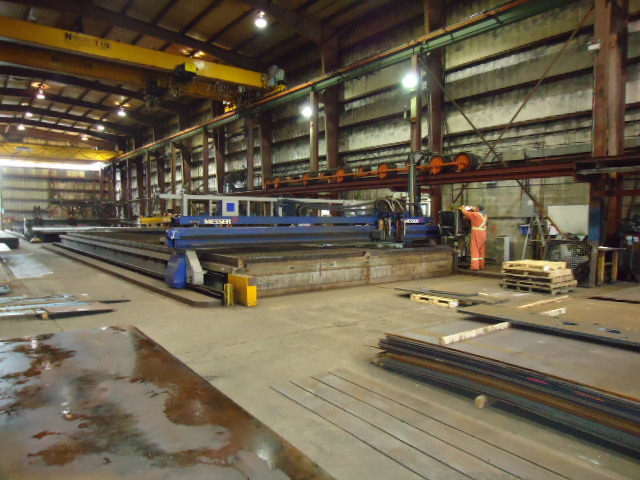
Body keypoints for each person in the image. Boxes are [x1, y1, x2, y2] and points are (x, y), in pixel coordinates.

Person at [459, 205, 487, 270]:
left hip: (477, 234)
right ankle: (481, 265)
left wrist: (463, 207)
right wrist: (473, 209)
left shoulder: (476, 214)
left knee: (475, 249)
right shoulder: (484, 215)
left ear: (478, 208)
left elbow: (465, 213)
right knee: (481, 250)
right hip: (483, 234)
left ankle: (474, 266)